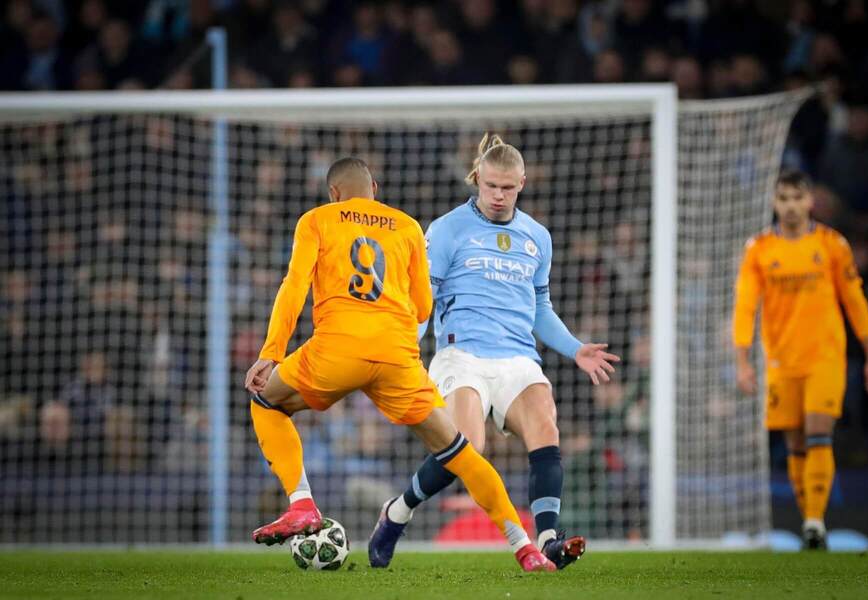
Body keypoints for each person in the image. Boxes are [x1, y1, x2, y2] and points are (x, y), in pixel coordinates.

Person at [244, 157, 554, 572]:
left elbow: (294, 286)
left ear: (334, 193)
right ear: (375, 186)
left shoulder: (316, 220)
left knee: (267, 401)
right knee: (460, 452)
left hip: (336, 349)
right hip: (397, 355)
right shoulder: (407, 226)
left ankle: (302, 503)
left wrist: (272, 351)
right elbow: (424, 305)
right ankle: (525, 547)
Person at [368, 134, 620, 569]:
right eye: (491, 187)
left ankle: (547, 539)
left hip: (518, 357)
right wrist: (406, 348)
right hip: (459, 354)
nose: (499, 196)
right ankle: (397, 512)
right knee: (467, 448)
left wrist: (575, 348)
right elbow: (424, 298)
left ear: (522, 182)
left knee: (545, 423)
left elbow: (540, 306)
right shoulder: (446, 229)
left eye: (508, 187)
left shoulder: (537, 238)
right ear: (476, 179)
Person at [732, 168, 868, 549]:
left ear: (810, 201)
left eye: (798, 198)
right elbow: (745, 307)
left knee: (818, 434)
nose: (791, 206)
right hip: (782, 362)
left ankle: (815, 520)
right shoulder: (760, 249)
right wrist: (743, 359)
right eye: (783, 198)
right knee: (796, 443)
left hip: (825, 358)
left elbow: (855, 301)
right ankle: (809, 520)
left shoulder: (833, 245)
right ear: (774, 202)